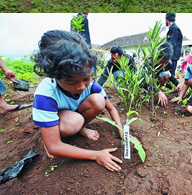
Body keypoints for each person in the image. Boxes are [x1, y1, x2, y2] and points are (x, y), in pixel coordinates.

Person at [31, 30, 126, 171]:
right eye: (71, 82)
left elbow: (110, 108)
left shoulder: (92, 85)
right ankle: (51, 134)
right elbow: (54, 148)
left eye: (86, 79)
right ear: (55, 76)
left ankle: (79, 128)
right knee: (72, 123)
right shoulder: (46, 94)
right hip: (62, 120)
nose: (81, 86)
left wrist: (122, 132)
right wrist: (96, 155)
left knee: (98, 101)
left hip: (75, 115)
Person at [165, 13, 182, 89]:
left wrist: (168, 55)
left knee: (170, 73)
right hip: (172, 55)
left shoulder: (174, 29)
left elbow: (172, 43)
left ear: (167, 19)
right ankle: (169, 88)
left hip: (172, 56)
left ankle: (170, 89)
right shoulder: (172, 28)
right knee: (169, 72)